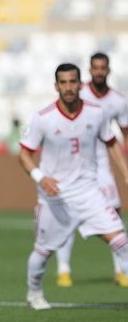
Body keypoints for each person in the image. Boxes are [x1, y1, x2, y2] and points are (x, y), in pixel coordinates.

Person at [19, 63, 128, 310]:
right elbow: (24, 154)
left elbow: (111, 142)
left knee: (121, 241)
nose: (68, 87)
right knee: (43, 251)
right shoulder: (43, 118)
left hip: (90, 192)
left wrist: (125, 172)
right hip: (55, 198)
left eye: (73, 82)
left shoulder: (96, 113)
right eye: (63, 82)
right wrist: (40, 177)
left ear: (81, 84)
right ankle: (34, 292)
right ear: (56, 86)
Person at [54, 52, 128, 287]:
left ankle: (120, 270)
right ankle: (63, 269)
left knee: (114, 214)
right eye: (95, 68)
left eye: (102, 68)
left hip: (101, 164)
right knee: (66, 217)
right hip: (72, 162)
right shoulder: (76, 91)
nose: (98, 72)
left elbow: (123, 135)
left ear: (108, 70)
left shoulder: (118, 101)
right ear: (89, 70)